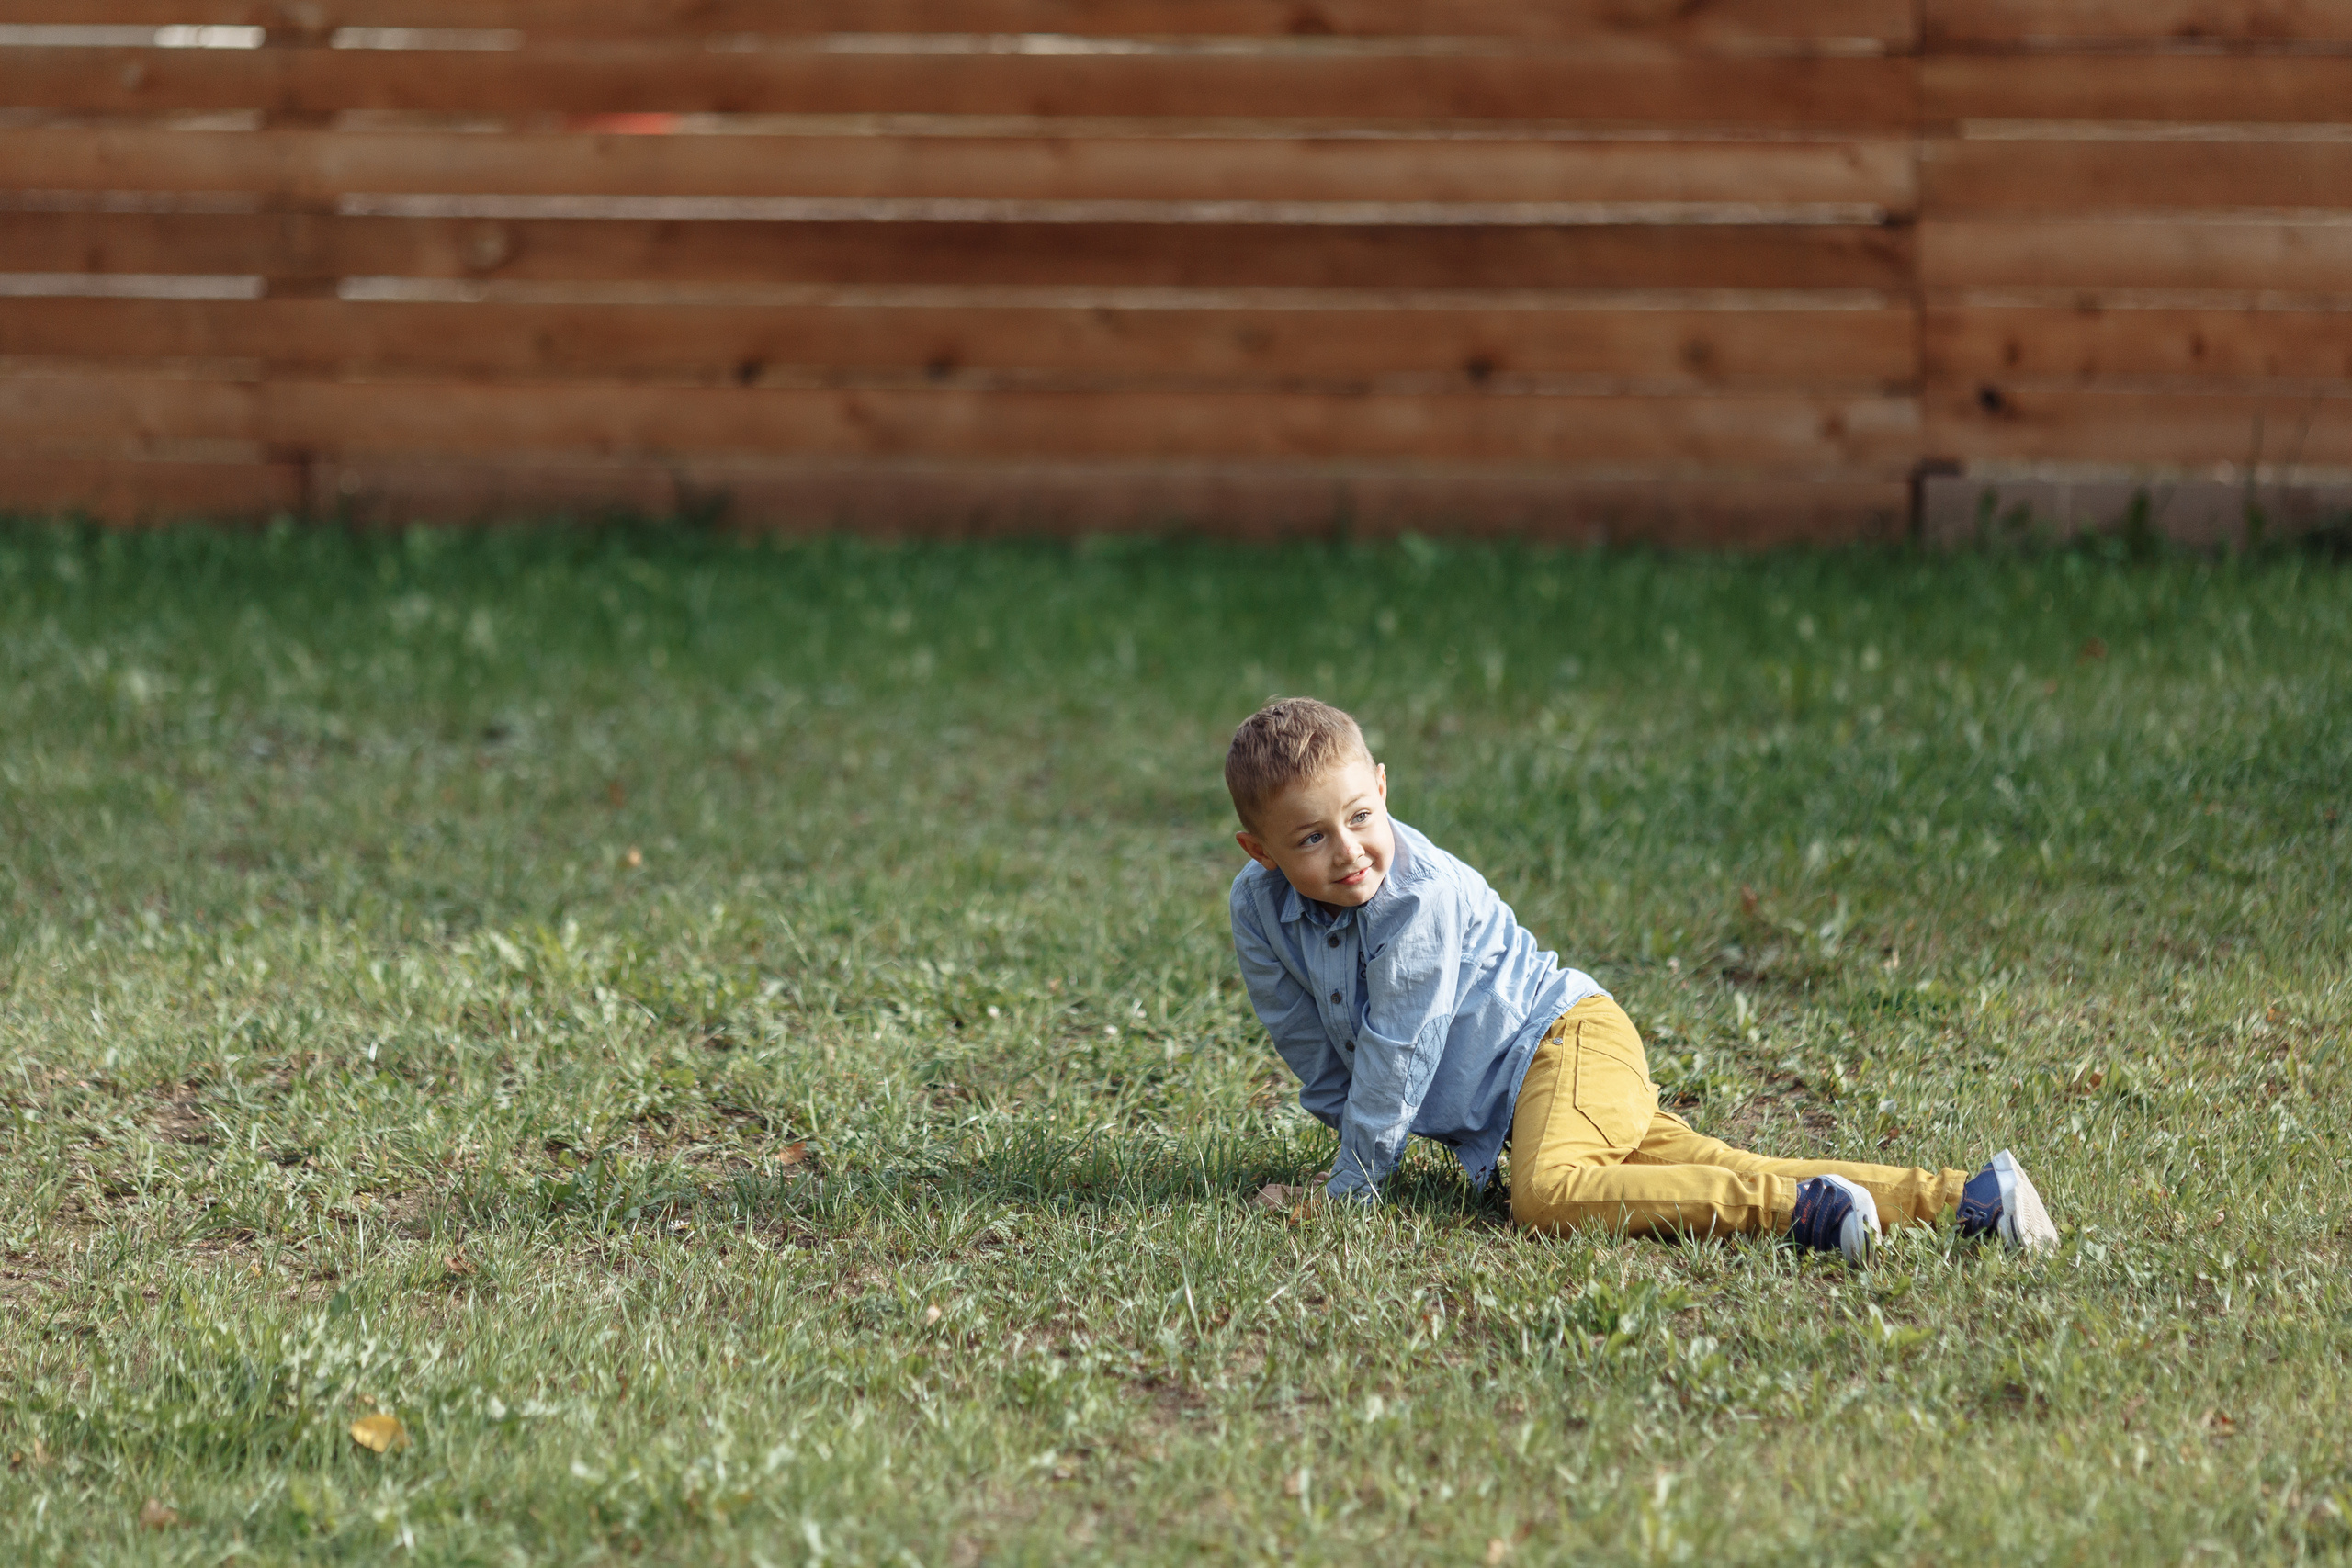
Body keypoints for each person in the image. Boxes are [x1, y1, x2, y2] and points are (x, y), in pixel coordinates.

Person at [1224, 696, 2056, 1263]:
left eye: (1360, 816)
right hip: (1541, 1092)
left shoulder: (1419, 894)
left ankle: (1799, 1212)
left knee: (1546, 1197)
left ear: (1381, 789)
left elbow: (1399, 1048)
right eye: (1310, 839)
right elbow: (1315, 1047)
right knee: (1716, 1166)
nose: (1349, 851)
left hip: (1567, 1043)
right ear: (1260, 852)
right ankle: (1973, 1198)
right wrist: (1357, 1164)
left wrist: (1355, 1191)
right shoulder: (1257, 910)